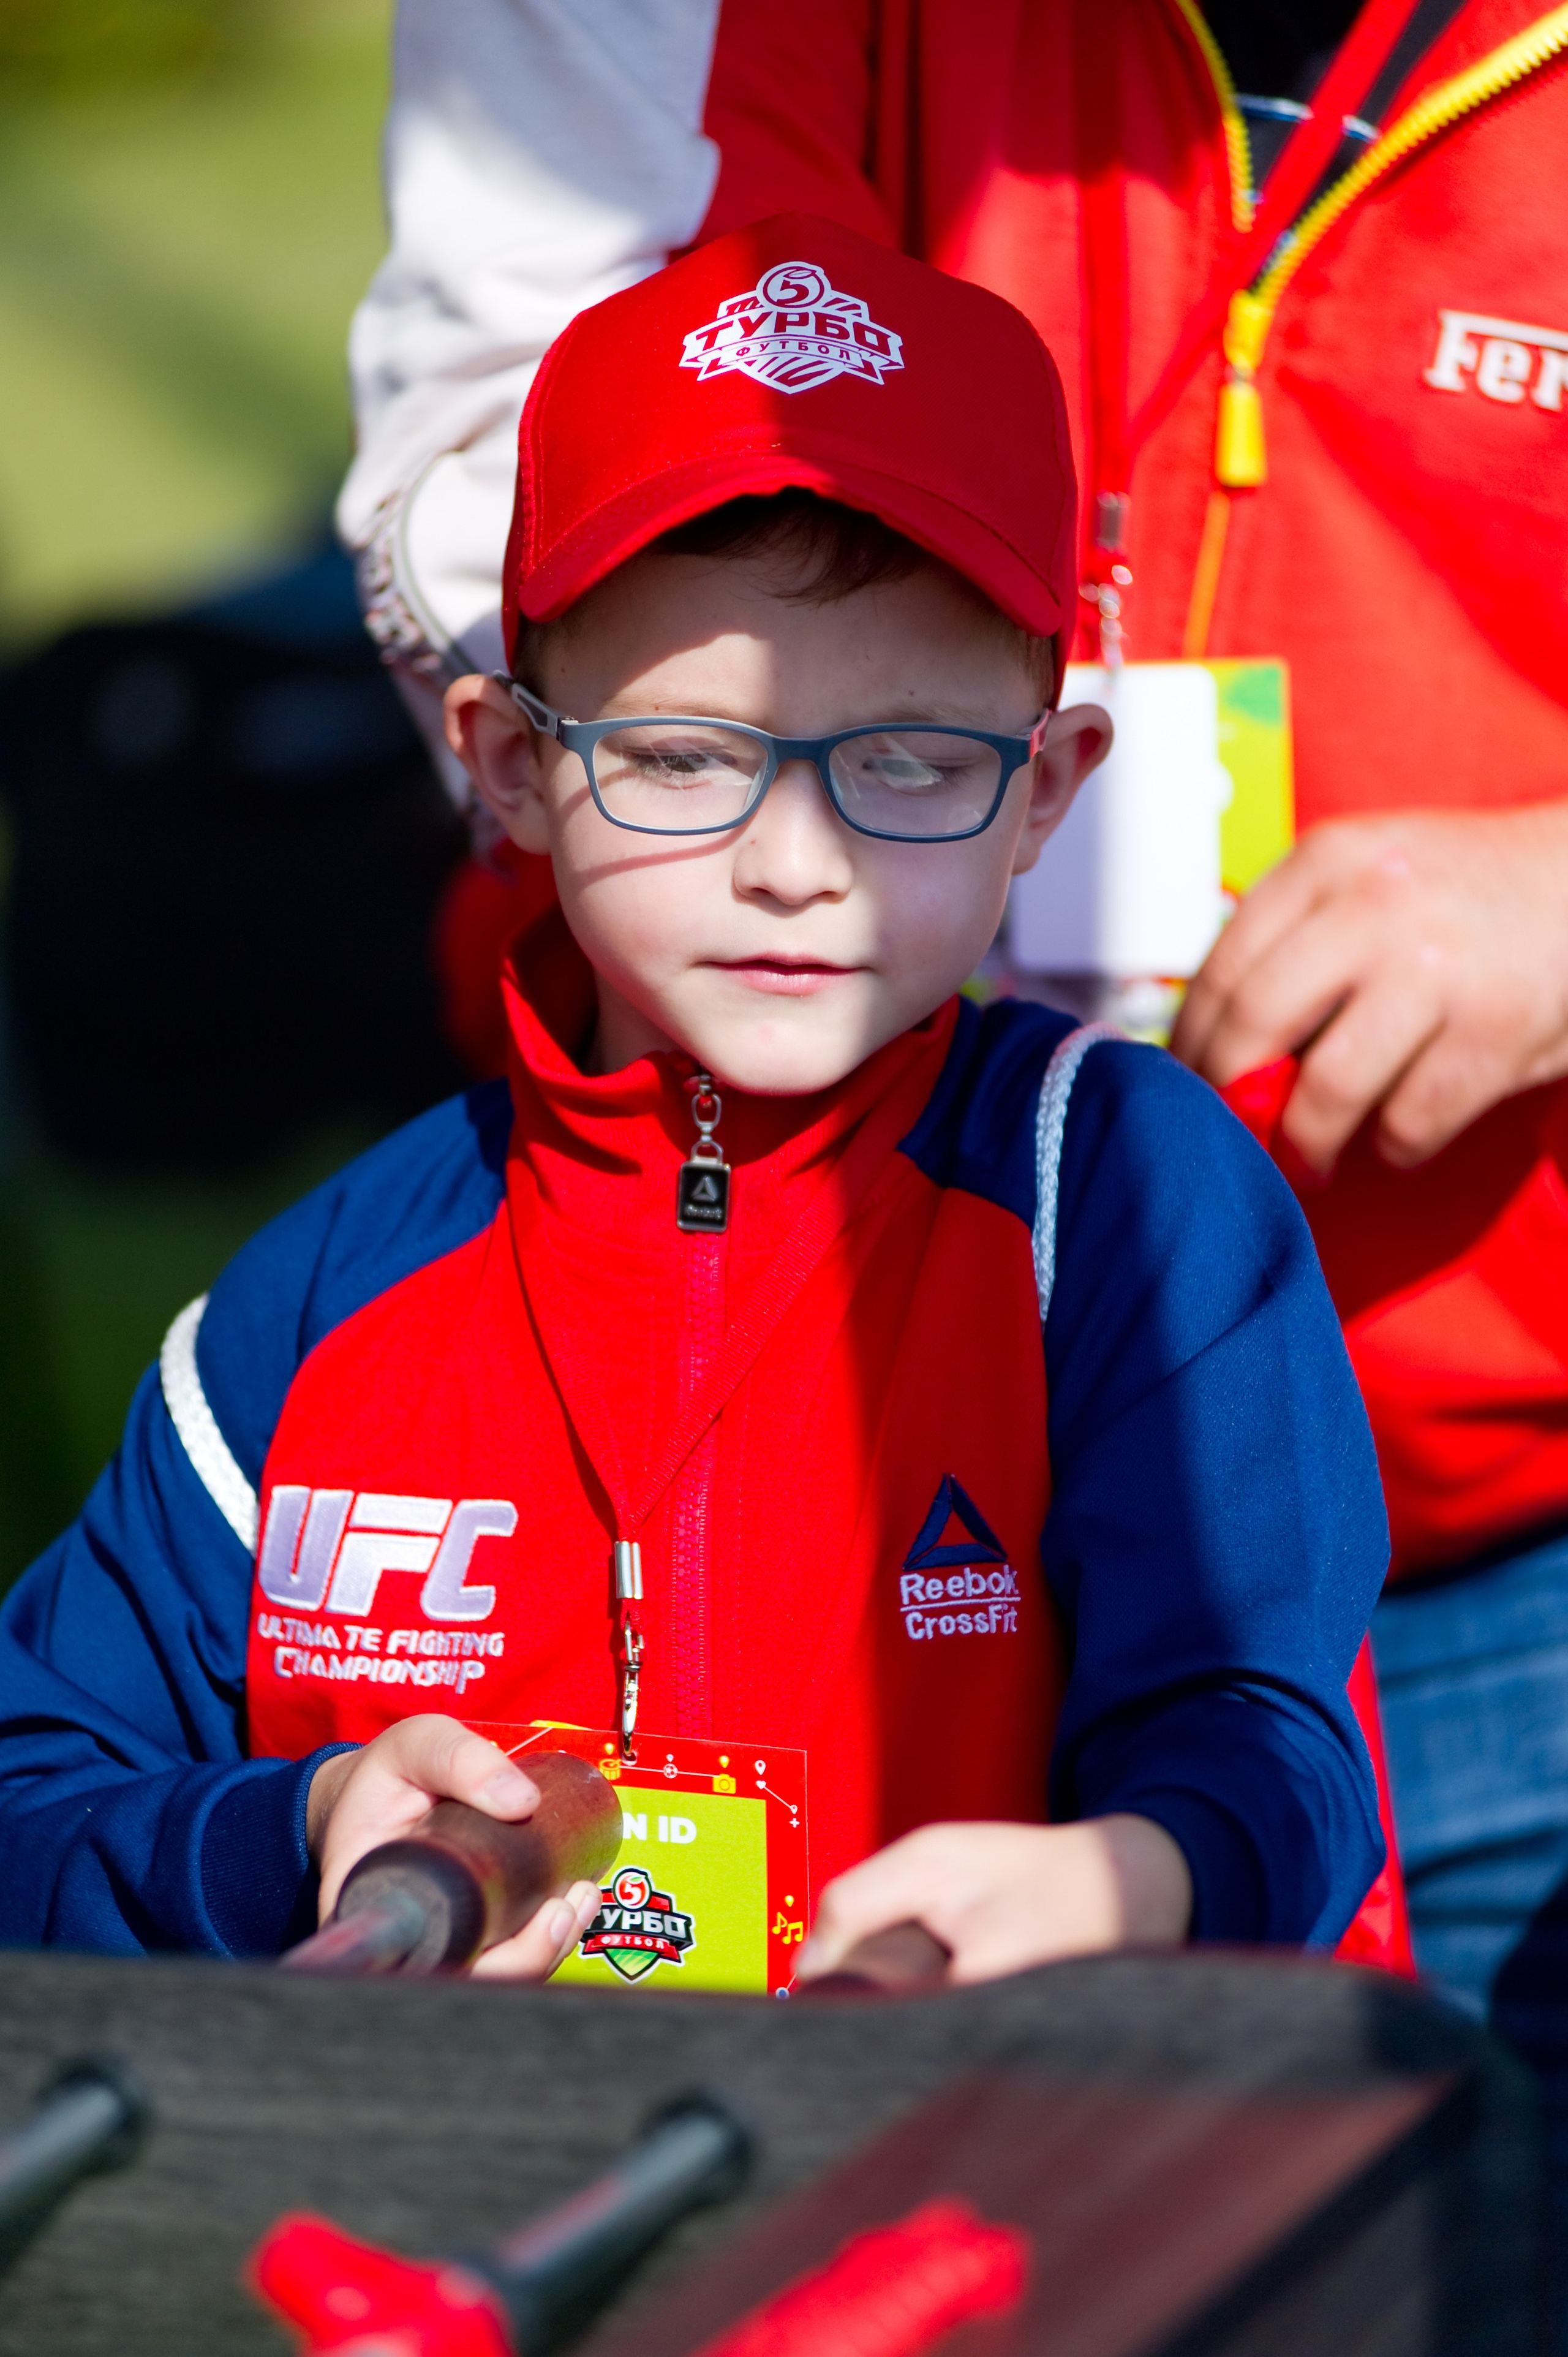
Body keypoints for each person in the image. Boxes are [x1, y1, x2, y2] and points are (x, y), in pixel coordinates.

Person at [337, 0, 1568, 2044]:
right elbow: (516, 425)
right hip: (739, 1474)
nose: (793, 860)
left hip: (1514, 1524)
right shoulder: (331, 1317)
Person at [0, 218, 1387, 1988]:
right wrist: (299, 1827)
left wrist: (1130, 1882)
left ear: (1047, 791)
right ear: (510, 764)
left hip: (1009, 2214)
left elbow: (1265, 1736)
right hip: (430, 2231)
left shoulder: (1118, 1201)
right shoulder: (316, 1306)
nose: (794, 867)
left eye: (908, 762)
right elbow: (31, 1791)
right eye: (682, 761)